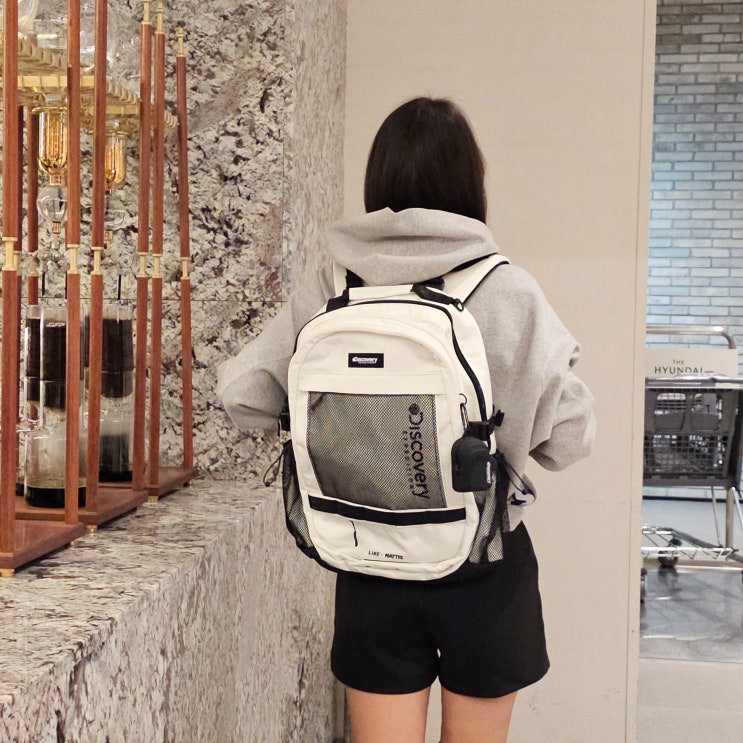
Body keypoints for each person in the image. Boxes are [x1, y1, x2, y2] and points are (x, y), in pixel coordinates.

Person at [218, 97, 595, 743]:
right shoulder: (509, 290)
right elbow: (568, 440)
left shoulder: (334, 286)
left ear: (379, 182)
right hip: (484, 558)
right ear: (471, 184)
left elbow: (241, 396)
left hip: (369, 555)